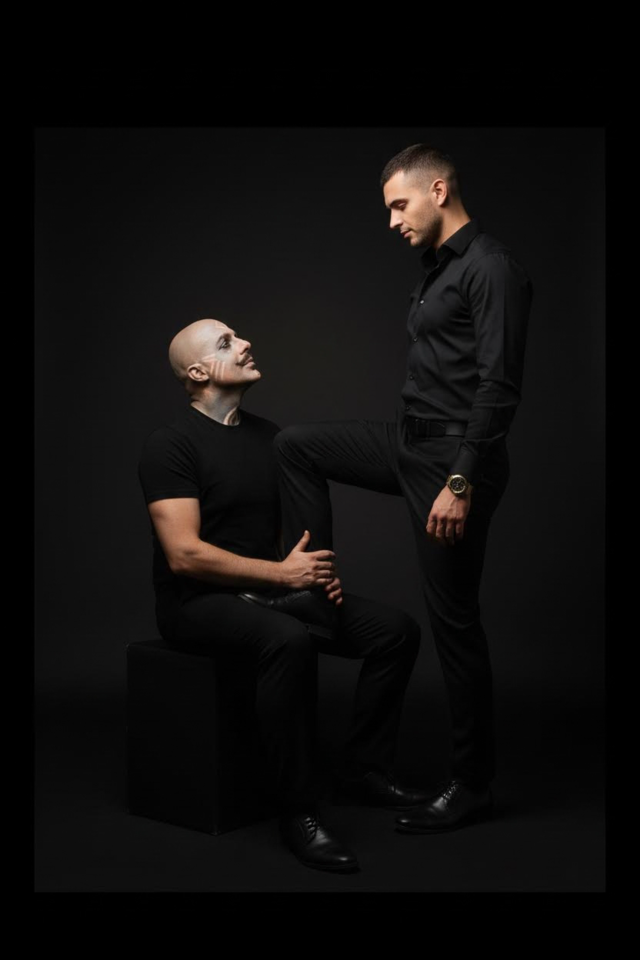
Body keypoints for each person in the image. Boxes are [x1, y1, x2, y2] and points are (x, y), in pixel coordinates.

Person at [274, 143, 534, 834]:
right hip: (407, 441)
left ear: (438, 191)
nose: (392, 221)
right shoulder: (439, 268)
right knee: (296, 444)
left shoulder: (491, 267)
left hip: (453, 460)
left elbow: (499, 386)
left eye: (399, 205)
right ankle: (311, 594)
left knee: (454, 623)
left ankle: (473, 784)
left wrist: (460, 480)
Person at [137, 317, 432, 874]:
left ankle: (364, 772)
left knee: (395, 633)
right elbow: (184, 555)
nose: (245, 343)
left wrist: (313, 574)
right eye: (227, 342)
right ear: (198, 373)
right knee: (287, 639)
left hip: (270, 590)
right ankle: (299, 812)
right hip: (196, 603)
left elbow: (289, 532)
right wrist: (281, 577)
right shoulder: (170, 445)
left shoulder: (272, 438)